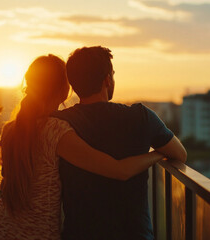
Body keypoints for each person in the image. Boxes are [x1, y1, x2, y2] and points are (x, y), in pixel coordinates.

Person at [0, 55, 166, 240]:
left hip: (1, 229)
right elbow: (119, 170)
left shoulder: (9, 131)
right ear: (64, 89)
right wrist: (157, 154)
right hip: (38, 234)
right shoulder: (55, 131)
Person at [52, 46, 187, 240]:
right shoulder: (141, 117)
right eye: (113, 74)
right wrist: (156, 154)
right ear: (107, 80)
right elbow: (180, 154)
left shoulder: (60, 122)